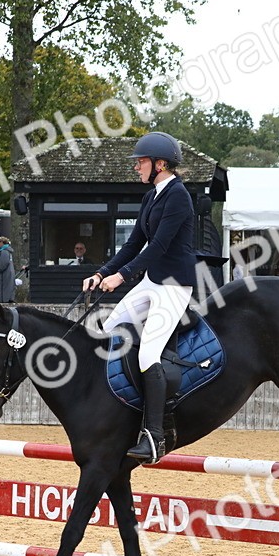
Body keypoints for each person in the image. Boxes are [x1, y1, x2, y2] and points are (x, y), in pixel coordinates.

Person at [83, 131, 195, 463]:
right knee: (109, 332)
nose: (137, 167)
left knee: (149, 354)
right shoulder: (151, 198)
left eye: (141, 162)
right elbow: (133, 245)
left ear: (160, 164)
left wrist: (123, 276)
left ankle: (154, 438)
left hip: (174, 286)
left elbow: (159, 246)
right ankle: (115, 413)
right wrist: (103, 272)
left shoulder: (179, 197)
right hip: (151, 281)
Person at [0, 236, 15, 303]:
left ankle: (1, 301)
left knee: (0, 289)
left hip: (3, 277)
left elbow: (2, 265)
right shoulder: (8, 251)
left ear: (2, 242)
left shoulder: (4, 252)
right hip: (8, 275)